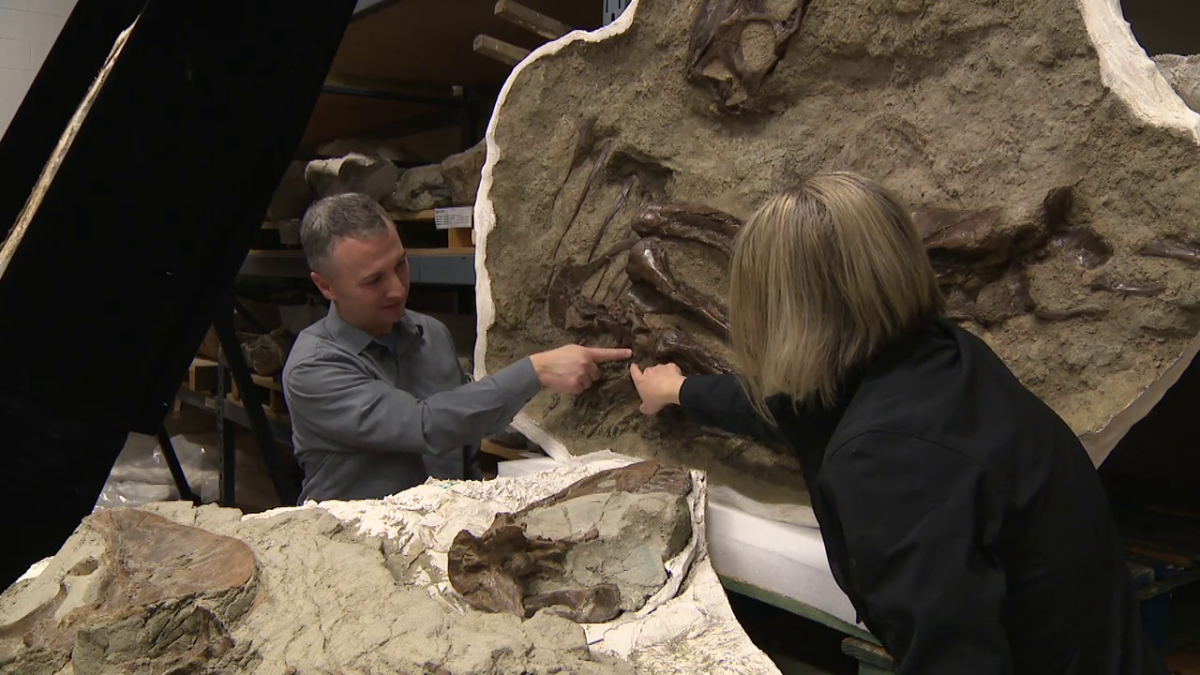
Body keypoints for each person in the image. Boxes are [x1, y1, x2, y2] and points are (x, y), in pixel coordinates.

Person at [628, 172, 1166, 674]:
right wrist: (678, 391)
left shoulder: (888, 461)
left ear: (785, 312)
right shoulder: (941, 359)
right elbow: (806, 409)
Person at [282, 193, 630, 503]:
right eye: (373, 280)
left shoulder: (431, 334)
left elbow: (462, 445)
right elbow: (425, 425)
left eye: (400, 264)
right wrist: (535, 370)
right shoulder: (313, 369)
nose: (397, 289)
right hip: (357, 550)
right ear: (325, 285)